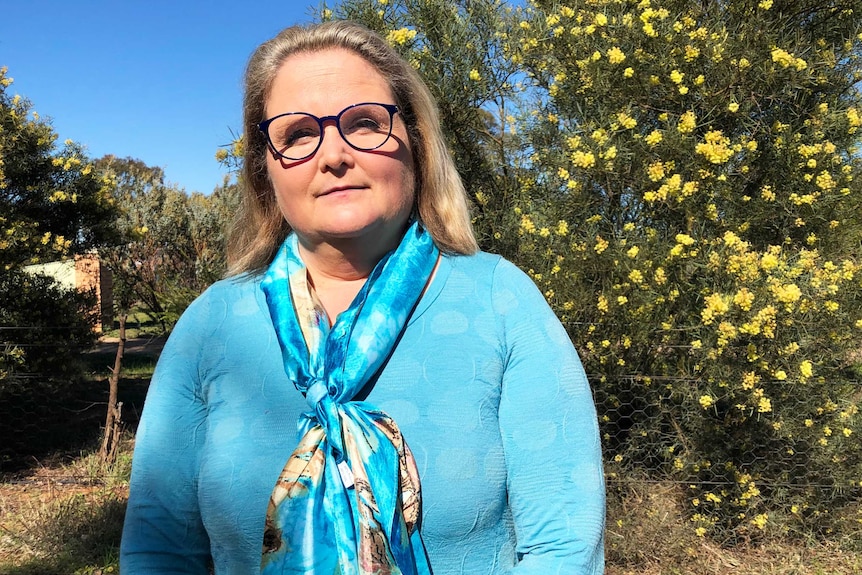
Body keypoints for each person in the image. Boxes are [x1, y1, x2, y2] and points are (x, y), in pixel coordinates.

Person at [120, 20, 605, 575]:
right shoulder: (212, 323)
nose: (333, 155)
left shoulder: (500, 301)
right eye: (298, 133)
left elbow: (563, 549)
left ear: (416, 145)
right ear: (266, 168)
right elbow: (160, 551)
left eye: (365, 123)